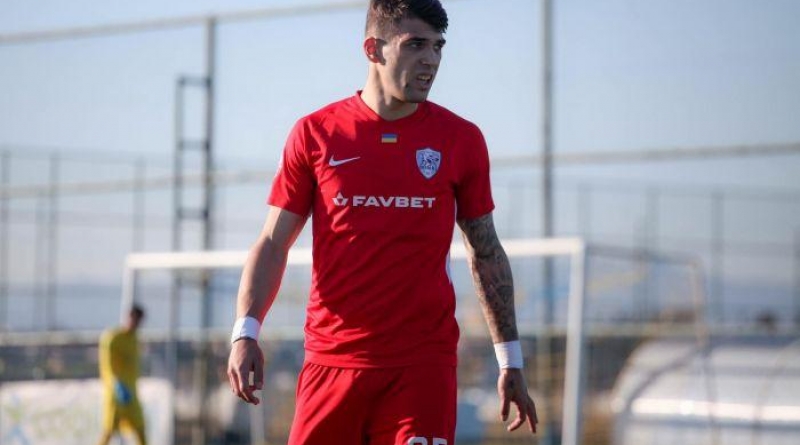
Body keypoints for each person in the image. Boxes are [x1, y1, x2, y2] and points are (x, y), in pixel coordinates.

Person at [227, 1, 538, 443]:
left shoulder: (461, 140)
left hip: (421, 369)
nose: (430, 59)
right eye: (415, 45)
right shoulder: (316, 133)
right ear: (373, 49)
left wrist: (510, 360)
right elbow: (273, 242)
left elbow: (485, 251)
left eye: (438, 47)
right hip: (331, 363)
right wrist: (245, 332)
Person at [97, 304, 147, 445]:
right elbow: (107, 367)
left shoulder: (134, 340)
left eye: (138, 321)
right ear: (128, 317)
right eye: (133, 319)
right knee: (108, 432)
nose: (135, 324)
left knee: (140, 430)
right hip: (115, 394)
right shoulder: (112, 338)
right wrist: (116, 385)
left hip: (132, 394)